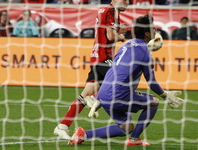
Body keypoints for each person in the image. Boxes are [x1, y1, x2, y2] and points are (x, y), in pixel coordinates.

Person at [68, 14, 184, 146]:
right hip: (118, 95)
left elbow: (115, 69)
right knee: (154, 102)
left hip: (104, 93)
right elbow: (151, 82)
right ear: (146, 34)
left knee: (126, 128)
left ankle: (83, 134)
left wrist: (100, 97)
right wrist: (165, 95)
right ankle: (134, 139)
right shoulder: (145, 53)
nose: (156, 30)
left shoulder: (127, 44)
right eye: (153, 29)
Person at [54, 0, 130, 140]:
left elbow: (105, 31)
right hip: (104, 57)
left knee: (84, 95)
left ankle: (62, 126)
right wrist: (120, 37)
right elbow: (111, 37)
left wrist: (119, 29)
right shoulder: (111, 11)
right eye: (125, 0)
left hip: (96, 55)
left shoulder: (104, 10)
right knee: (122, 79)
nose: (128, 2)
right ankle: (96, 99)